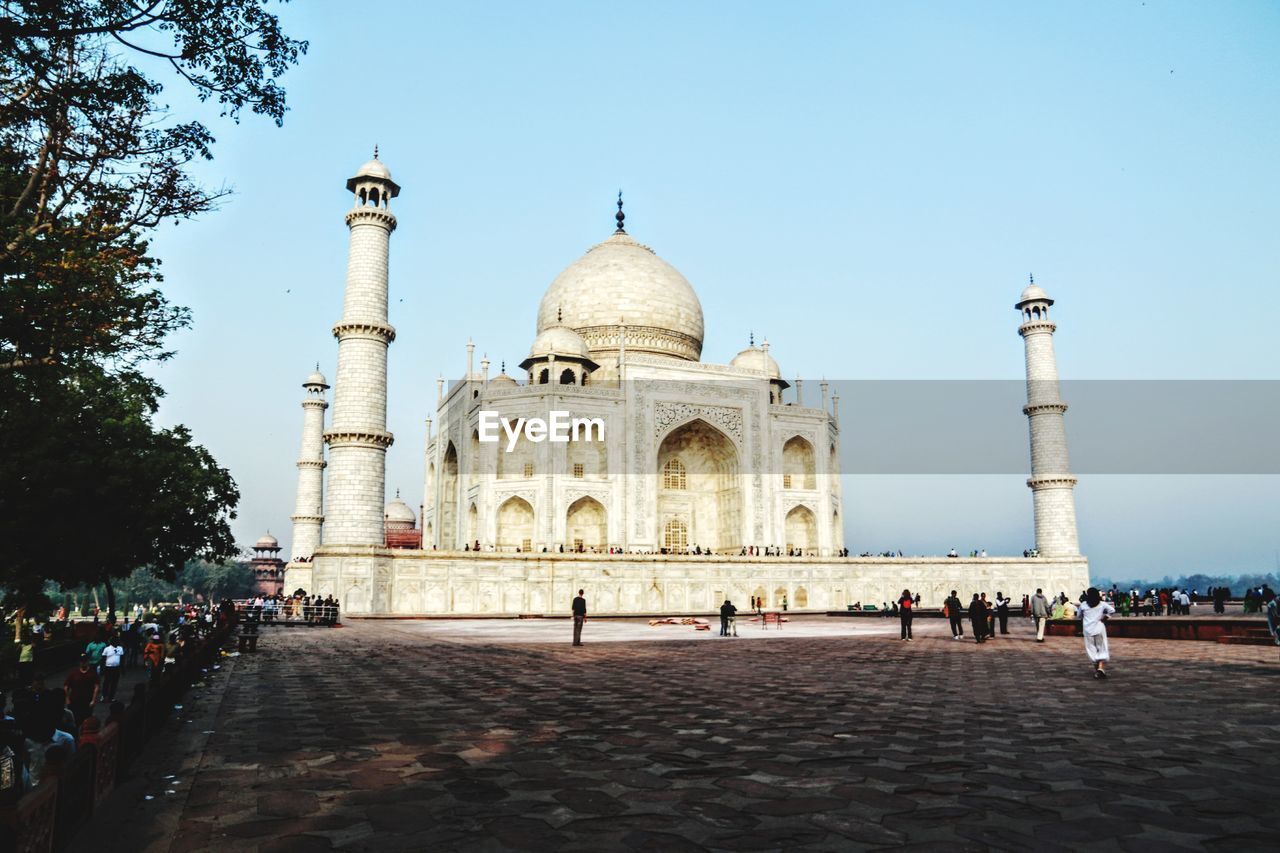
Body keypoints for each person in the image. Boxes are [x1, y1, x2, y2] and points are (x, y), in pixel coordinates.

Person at [1077, 586, 1116, 678]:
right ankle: (1100, 668)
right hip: (1099, 628)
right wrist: (1105, 617)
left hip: (1087, 630)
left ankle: (1097, 670)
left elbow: (1079, 616)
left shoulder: (1083, 605)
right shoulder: (1101, 604)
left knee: (1091, 650)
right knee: (1102, 648)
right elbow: (1112, 610)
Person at [63, 655, 100, 727]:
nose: (83, 663)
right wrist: (67, 699)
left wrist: (93, 700)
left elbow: (96, 687)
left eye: (85, 661)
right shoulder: (74, 673)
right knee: (75, 720)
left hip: (87, 701)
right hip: (74, 701)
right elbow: (66, 686)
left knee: (86, 720)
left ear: (88, 662)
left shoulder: (92, 673)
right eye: (82, 661)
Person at [99, 635, 125, 701]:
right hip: (108, 668)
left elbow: (122, 659)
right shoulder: (107, 649)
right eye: (115, 641)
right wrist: (102, 669)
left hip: (117, 668)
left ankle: (111, 697)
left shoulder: (120, 648)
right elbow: (103, 659)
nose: (117, 642)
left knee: (114, 682)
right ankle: (104, 696)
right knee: (106, 682)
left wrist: (123, 669)